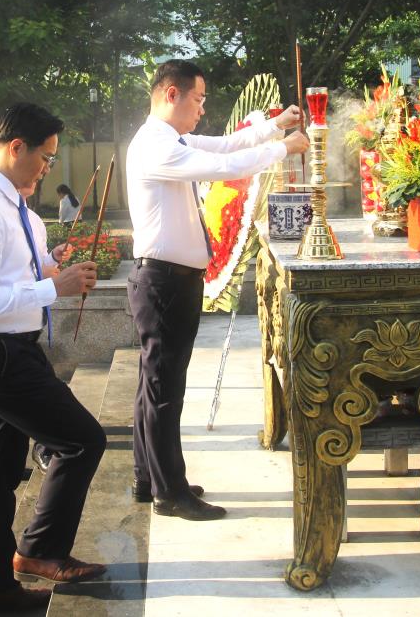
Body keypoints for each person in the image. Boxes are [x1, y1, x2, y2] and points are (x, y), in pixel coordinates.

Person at [125, 59, 308, 521]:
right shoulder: (155, 145)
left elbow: (227, 144)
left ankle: (151, 477)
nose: (202, 109)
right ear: (172, 94)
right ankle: (170, 492)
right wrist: (284, 148)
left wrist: (275, 126)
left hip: (170, 279)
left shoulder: (172, 140)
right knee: (164, 390)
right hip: (164, 281)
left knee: (154, 386)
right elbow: (225, 165)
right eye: (198, 99)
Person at [0, 102, 107, 613]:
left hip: (12, 349)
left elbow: (14, 278)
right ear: (16, 147)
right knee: (81, 441)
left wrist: (52, 267)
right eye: (45, 157)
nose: (47, 169)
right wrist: (53, 287)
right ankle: (39, 550)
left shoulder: (17, 208)